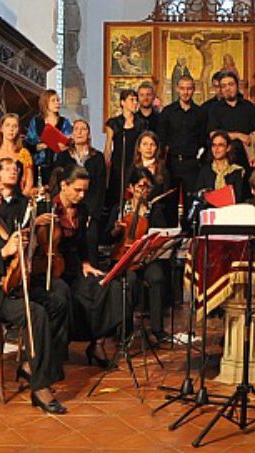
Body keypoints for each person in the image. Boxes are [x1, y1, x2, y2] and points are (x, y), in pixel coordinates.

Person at [0, 160, 70, 413]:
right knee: (35, 313)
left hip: (8, 286)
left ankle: (32, 366)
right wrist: (5, 252)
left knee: (59, 299)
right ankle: (41, 388)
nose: (0, 186)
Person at [46, 165, 110, 367]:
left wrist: (86, 263)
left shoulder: (82, 210)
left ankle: (97, 343)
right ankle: (60, 346)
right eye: (78, 190)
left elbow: (82, 243)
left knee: (104, 285)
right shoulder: (48, 207)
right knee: (67, 294)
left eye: (85, 191)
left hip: (74, 265)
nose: (82, 195)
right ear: (64, 185)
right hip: (54, 268)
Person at [106, 167, 170, 341]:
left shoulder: (153, 210)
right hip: (124, 257)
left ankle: (157, 328)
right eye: (140, 187)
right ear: (131, 188)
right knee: (130, 280)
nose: (144, 191)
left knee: (156, 276)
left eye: (147, 188)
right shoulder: (120, 208)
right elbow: (106, 238)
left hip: (146, 258)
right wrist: (116, 230)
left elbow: (160, 235)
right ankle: (124, 328)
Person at [53, 119, 106, 263]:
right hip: (68, 209)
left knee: (90, 241)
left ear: (89, 134)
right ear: (72, 133)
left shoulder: (98, 157)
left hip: (90, 210)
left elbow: (100, 189)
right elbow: (59, 183)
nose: (80, 132)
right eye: (76, 129)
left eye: (83, 129)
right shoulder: (63, 156)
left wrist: (91, 214)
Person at [159, 75, 207, 227]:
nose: (186, 92)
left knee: (191, 202)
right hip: (172, 163)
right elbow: (162, 139)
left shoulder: (200, 113)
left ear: (193, 90)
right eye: (182, 88)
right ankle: (171, 235)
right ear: (177, 89)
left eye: (189, 89)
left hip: (192, 163)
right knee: (170, 202)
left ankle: (189, 236)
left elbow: (204, 139)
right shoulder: (167, 112)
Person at [206, 71, 255, 171]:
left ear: (237, 86)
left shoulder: (248, 106)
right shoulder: (214, 108)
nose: (228, 88)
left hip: (246, 158)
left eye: (231, 84)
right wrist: (238, 135)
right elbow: (213, 134)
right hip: (224, 159)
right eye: (224, 86)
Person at [104, 89, 147, 211]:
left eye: (136, 100)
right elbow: (108, 146)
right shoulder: (114, 123)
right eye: (131, 100)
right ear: (122, 102)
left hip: (135, 163)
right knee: (116, 196)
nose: (135, 103)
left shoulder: (141, 123)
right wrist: (106, 164)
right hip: (118, 163)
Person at [24, 90, 73, 186]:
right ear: (45, 102)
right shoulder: (36, 121)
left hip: (59, 165)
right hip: (39, 166)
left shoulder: (65, 122)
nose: (57, 103)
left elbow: (69, 142)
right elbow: (29, 143)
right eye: (53, 100)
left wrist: (65, 145)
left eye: (58, 100)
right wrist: (43, 145)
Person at [195, 130, 247, 203]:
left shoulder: (236, 171)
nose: (216, 149)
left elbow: (238, 197)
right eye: (214, 145)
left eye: (220, 145)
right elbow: (199, 196)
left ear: (228, 148)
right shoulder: (205, 170)